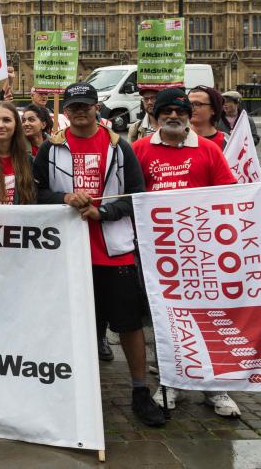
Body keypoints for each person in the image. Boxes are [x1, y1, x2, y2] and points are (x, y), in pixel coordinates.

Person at [33, 82, 165, 428]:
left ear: (96, 109)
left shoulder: (120, 148)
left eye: (85, 107)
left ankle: (140, 390)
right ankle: (75, 389)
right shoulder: (51, 148)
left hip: (113, 250)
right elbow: (37, 193)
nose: (79, 112)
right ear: (67, 112)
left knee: (129, 325)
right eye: (73, 107)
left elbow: (137, 196)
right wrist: (63, 199)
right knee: (73, 325)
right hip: (67, 250)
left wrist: (102, 214)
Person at [131, 88, 240, 418]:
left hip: (201, 253)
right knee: (167, 321)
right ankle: (170, 382)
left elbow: (230, 194)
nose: (174, 117)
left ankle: (215, 387)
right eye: (168, 112)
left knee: (208, 316)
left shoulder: (208, 150)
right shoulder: (139, 149)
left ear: (189, 116)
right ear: (157, 116)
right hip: (159, 253)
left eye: (181, 111)